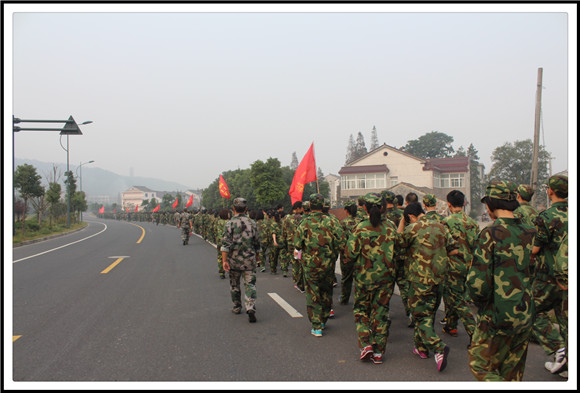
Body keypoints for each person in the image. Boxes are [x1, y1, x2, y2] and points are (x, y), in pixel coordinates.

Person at [466, 181, 536, 381]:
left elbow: (478, 284)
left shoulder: (490, 233)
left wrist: (479, 304)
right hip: (525, 310)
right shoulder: (530, 232)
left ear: (490, 205)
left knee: (478, 363)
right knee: (512, 371)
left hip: (496, 313)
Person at [398, 202, 458, 372]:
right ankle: (421, 349)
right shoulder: (441, 226)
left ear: (410, 216)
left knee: (418, 315)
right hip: (438, 279)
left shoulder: (412, 228)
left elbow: (398, 242)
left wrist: (402, 222)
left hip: (419, 280)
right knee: (428, 314)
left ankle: (439, 347)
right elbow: (453, 250)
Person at [345, 192, 397, 364]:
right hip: (386, 279)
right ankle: (379, 352)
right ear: (382, 207)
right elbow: (399, 251)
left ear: (364, 207)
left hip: (363, 278)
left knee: (361, 311)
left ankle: (366, 344)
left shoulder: (360, 228)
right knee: (381, 313)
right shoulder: (391, 227)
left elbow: (350, 253)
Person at [531, 174, 568, 377]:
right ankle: (568, 361)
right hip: (569, 278)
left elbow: (535, 249)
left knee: (532, 311)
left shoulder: (546, 217)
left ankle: (557, 348)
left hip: (548, 277)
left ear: (550, 191)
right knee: (567, 320)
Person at [294, 193, 343, 337]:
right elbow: (341, 242)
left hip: (310, 265)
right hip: (328, 264)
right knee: (327, 291)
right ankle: (323, 319)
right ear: (323, 206)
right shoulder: (333, 222)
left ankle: (316, 325)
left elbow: (297, 245)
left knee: (312, 293)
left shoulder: (304, 223)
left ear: (309, 206)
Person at [441, 190, 478, 341]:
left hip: (453, 267)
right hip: (469, 266)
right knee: (454, 295)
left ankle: (474, 333)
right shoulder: (473, 223)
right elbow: (477, 245)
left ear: (448, 204)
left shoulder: (446, 222)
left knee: (457, 300)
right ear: (464, 203)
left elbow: (444, 245)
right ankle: (451, 325)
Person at [220, 197, 262, 323]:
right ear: (246, 209)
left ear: (233, 209)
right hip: (249, 259)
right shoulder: (252, 223)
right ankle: (250, 306)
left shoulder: (229, 223)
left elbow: (225, 245)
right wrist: (258, 258)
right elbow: (257, 243)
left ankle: (237, 306)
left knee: (234, 284)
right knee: (250, 284)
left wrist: (224, 261)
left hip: (234, 260)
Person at [338, 200, 358, 304]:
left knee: (346, 278)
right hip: (360, 255)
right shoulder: (362, 222)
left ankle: (345, 298)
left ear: (346, 211)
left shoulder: (343, 223)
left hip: (347, 254)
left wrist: (344, 255)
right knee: (359, 278)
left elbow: (342, 241)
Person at [215, 208, 231, 279]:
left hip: (220, 242)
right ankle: (230, 270)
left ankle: (221, 272)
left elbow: (215, 231)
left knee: (220, 257)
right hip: (229, 242)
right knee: (230, 257)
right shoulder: (230, 222)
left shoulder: (218, 222)